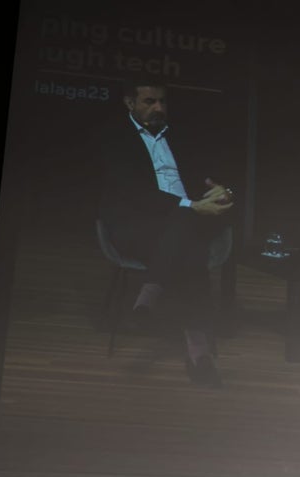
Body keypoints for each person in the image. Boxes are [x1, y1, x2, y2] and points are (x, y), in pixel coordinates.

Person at [99, 79, 236, 387]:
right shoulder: (114, 138)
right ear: (129, 102)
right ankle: (199, 352)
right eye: (149, 101)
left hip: (183, 221)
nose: (158, 107)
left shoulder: (180, 135)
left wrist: (221, 191)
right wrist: (191, 206)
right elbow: (132, 193)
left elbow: (210, 175)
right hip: (137, 223)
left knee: (184, 224)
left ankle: (150, 292)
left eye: (162, 101)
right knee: (191, 254)